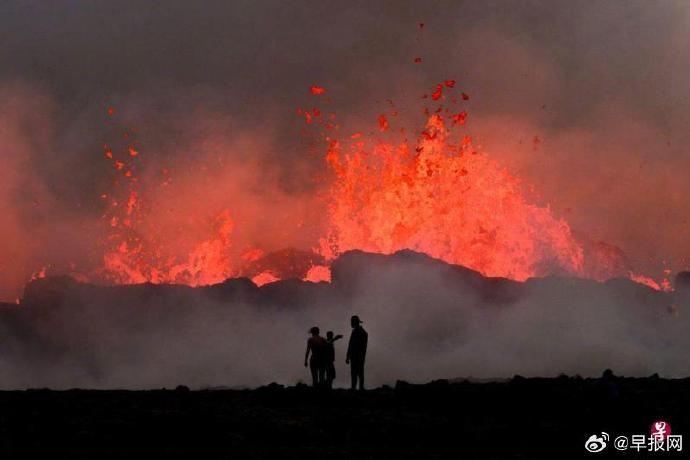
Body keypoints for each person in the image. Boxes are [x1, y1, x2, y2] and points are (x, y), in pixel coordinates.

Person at [346, 315, 368, 390]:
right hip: (358, 356)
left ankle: (356, 387)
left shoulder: (359, 332)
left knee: (356, 372)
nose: (351, 323)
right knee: (358, 372)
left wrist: (348, 356)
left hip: (357, 356)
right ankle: (358, 387)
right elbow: (351, 344)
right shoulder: (361, 332)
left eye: (352, 322)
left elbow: (352, 345)